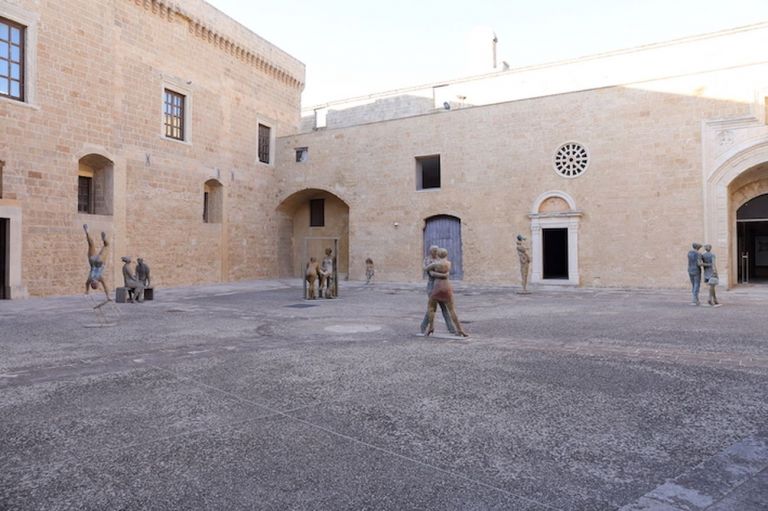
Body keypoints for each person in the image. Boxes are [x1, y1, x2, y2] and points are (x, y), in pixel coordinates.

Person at [424, 248, 468, 337]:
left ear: (438, 254)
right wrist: (444, 275)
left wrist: (432, 272)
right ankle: (460, 329)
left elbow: (425, 269)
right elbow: (446, 274)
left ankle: (431, 327)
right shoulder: (449, 263)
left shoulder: (435, 264)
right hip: (447, 287)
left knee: (431, 308)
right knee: (452, 309)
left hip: (437, 287)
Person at [420, 245, 456, 334]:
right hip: (432, 285)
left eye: (436, 250)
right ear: (430, 251)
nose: (435, 252)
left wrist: (441, 274)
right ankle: (424, 326)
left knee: (444, 308)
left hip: (440, 285)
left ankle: (451, 328)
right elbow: (429, 272)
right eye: (434, 250)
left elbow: (445, 271)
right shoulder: (427, 260)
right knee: (432, 307)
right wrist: (443, 275)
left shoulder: (439, 260)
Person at [84, 224, 111, 301]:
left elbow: (105, 287)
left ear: (97, 283)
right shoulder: (90, 279)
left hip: (100, 262)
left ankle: (104, 239)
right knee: (91, 244)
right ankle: (87, 231)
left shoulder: (100, 278)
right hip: (92, 261)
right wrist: (86, 292)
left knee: (106, 246)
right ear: (92, 283)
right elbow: (86, 284)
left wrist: (108, 297)